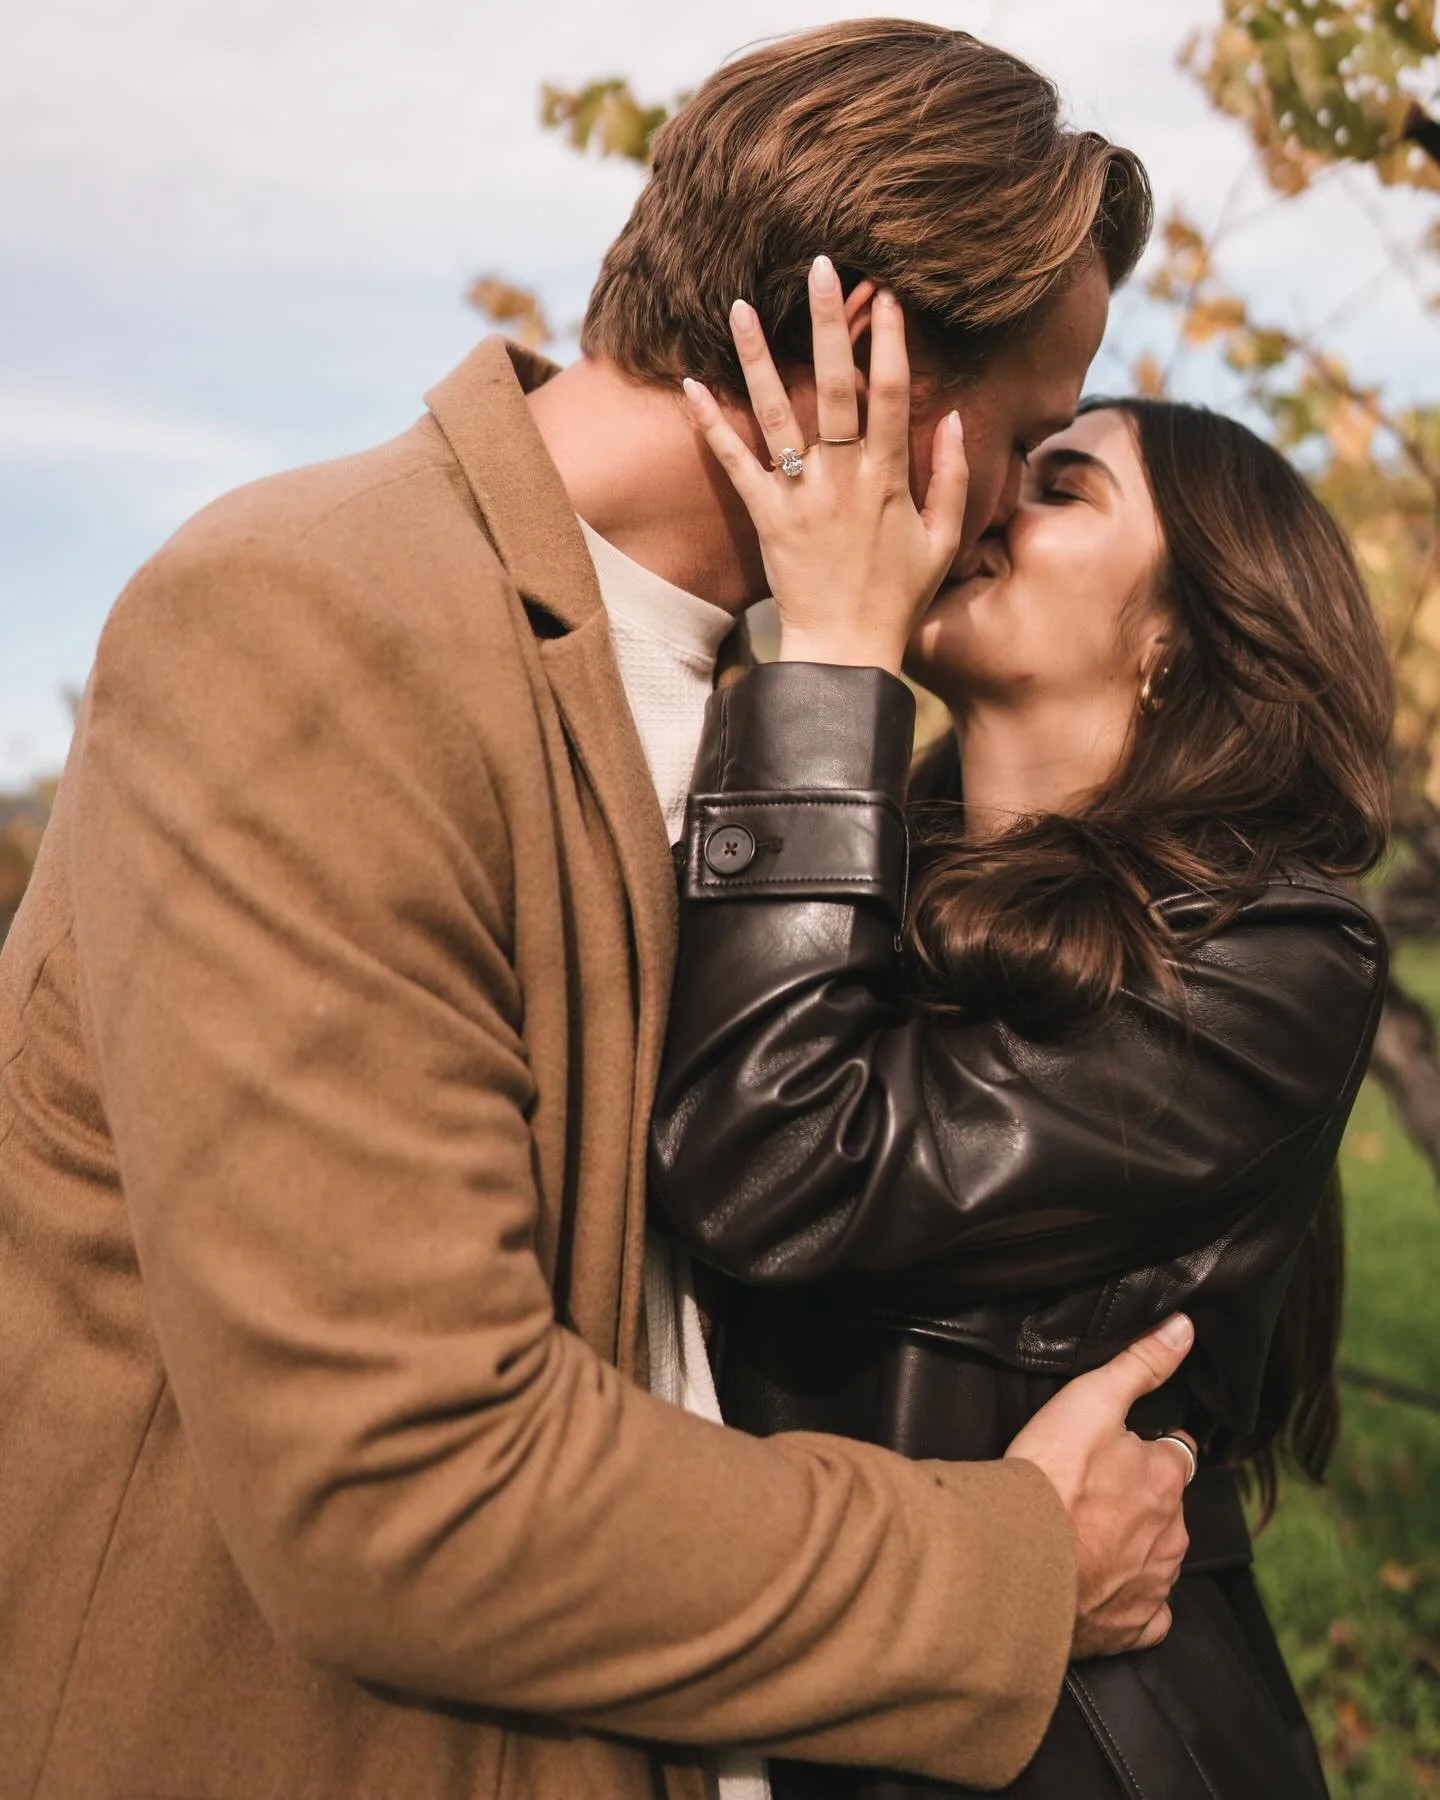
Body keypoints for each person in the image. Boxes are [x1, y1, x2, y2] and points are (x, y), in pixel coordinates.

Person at [0, 23, 1196, 1800]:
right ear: (864, 356)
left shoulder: (762, 718)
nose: (1012, 514)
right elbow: (408, 1491)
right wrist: (1019, 1567)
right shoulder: (309, 620)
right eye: (1024, 441)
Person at [653, 270, 1392, 1798]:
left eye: (1061, 484)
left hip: (1070, 1745)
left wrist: (836, 660)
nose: (978, 495)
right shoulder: (855, 873)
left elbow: (781, 1164)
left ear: (1182, 636)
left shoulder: (1279, 959)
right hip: (775, 1695)